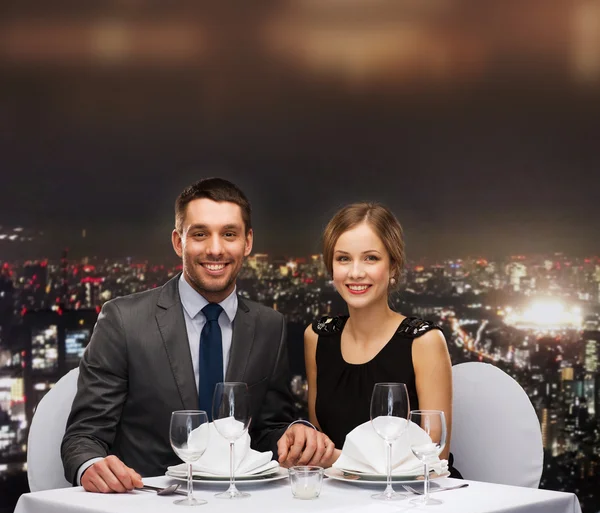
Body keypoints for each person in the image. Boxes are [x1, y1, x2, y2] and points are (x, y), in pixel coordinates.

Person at [61, 178, 335, 493]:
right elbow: (83, 437)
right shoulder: (124, 320)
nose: (215, 249)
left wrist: (295, 432)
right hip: (150, 507)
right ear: (179, 242)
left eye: (229, 234)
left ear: (247, 243)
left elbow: (267, 430)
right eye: (200, 234)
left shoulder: (270, 325)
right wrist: (90, 465)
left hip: (242, 507)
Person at [304, 202, 457, 472]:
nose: (355, 272)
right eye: (343, 258)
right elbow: (319, 438)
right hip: (339, 494)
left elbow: (435, 456)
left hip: (412, 498)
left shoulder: (424, 341)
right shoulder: (317, 337)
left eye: (370, 258)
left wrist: (340, 462)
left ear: (394, 266)